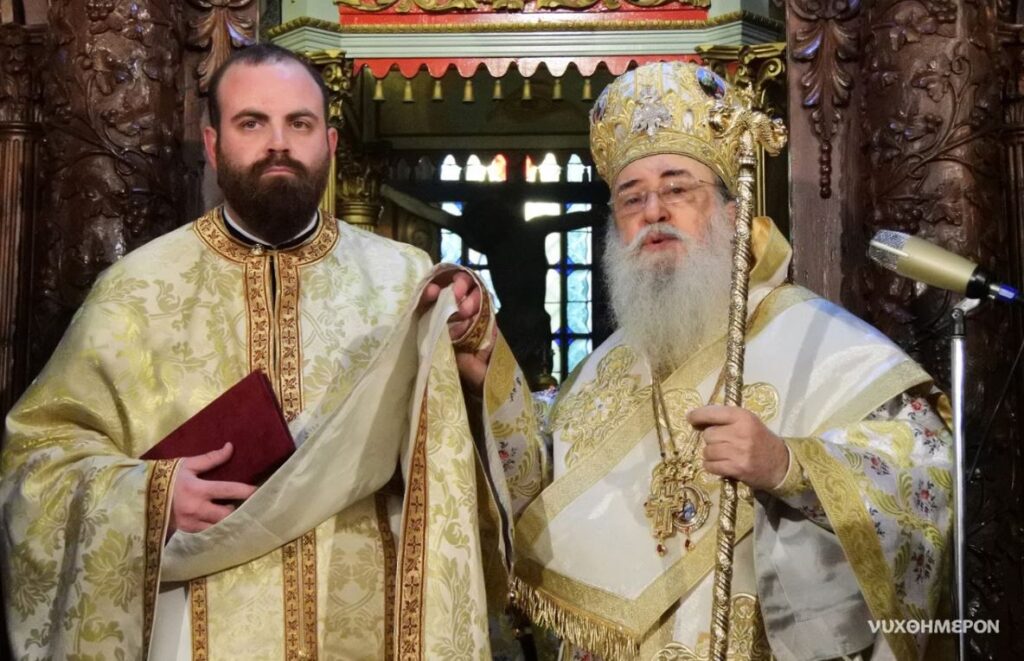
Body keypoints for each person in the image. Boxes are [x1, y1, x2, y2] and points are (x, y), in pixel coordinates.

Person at [0, 44, 544, 659]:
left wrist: (474, 362)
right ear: (214, 145)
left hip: (369, 626)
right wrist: (148, 497)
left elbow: (483, 464)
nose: (278, 143)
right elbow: (36, 462)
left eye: (299, 123)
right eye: (252, 122)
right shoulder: (135, 291)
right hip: (199, 627)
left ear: (329, 144)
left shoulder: (403, 280)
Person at [509, 61, 953, 660]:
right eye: (631, 198)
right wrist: (485, 376)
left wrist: (790, 466)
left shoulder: (818, 341)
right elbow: (534, 481)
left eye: (677, 189)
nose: (653, 211)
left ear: (729, 211)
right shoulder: (600, 372)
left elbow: (924, 468)